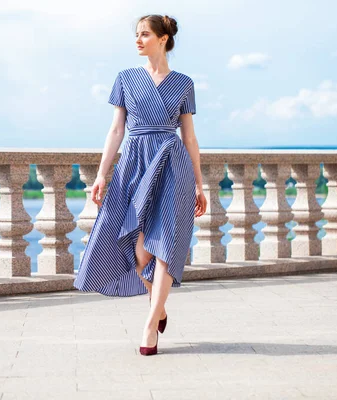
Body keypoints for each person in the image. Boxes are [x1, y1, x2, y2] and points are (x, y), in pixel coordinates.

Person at [73, 14, 207, 356]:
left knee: (165, 244)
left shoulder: (184, 83)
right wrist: (102, 174)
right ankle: (159, 308)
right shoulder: (126, 79)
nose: (138, 39)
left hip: (172, 164)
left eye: (144, 34)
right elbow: (116, 130)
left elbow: (189, 137)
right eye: (136, 34)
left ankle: (150, 324)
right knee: (139, 250)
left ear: (162, 39)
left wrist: (199, 184)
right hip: (134, 163)